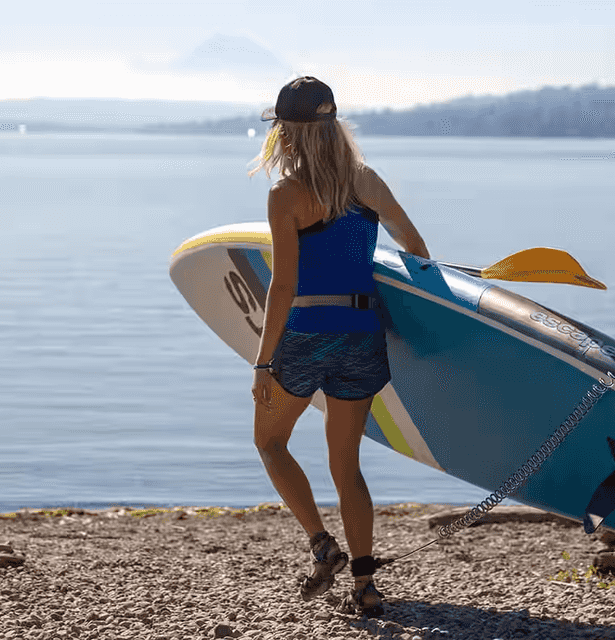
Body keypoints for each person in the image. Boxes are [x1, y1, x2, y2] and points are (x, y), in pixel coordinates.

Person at [247, 76, 431, 617]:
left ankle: (322, 543)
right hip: (361, 335)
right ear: (334, 128)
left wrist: (263, 360)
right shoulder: (367, 182)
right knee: (345, 465)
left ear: (284, 133)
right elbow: (415, 248)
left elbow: (282, 286)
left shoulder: (285, 195)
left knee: (271, 442)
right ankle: (366, 584)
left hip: (305, 336)